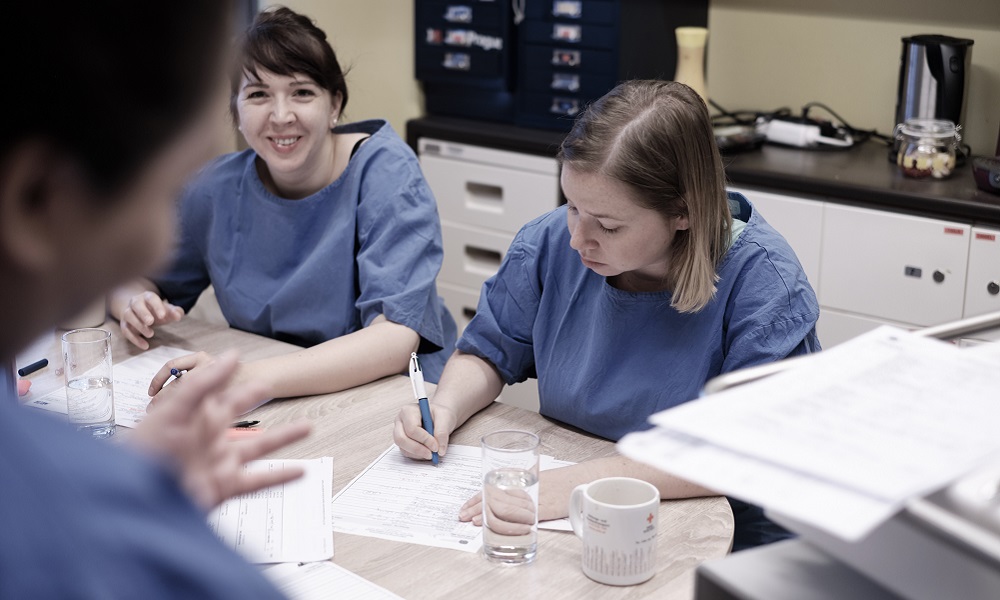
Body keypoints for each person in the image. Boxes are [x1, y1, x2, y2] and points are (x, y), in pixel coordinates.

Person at [393, 80, 821, 552]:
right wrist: (446, 408)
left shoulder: (762, 282)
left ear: (684, 211)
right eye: (572, 207)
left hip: (714, 528)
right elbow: (489, 352)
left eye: (609, 225)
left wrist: (576, 485)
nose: (578, 239)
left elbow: (747, 452)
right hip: (577, 512)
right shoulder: (552, 243)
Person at [1, 1, 311, 596]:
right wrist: (120, 499)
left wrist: (124, 471)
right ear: (36, 201)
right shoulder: (106, 544)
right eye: (165, 190)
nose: (164, 245)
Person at [109, 6, 457, 403]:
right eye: (257, 94)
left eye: (302, 92)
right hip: (275, 385)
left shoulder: (386, 175)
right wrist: (134, 304)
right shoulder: (213, 187)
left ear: (334, 105)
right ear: (236, 111)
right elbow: (133, 277)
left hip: (392, 395)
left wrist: (248, 379)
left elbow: (394, 337)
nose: (280, 115)